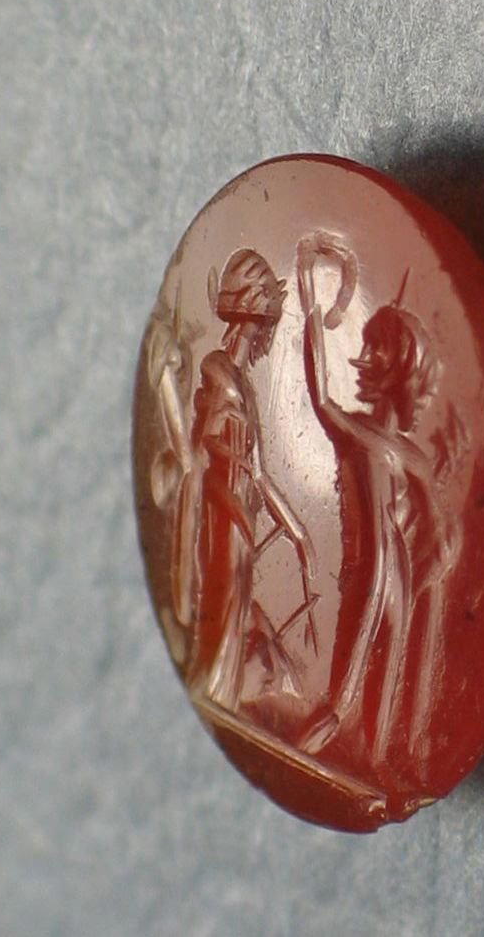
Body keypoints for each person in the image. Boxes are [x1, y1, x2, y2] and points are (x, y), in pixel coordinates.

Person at [296, 235, 455, 773]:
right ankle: (324, 736)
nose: (364, 359)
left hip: (399, 570)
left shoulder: (414, 458)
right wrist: (311, 308)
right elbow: (319, 396)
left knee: (386, 668)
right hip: (369, 567)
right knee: (347, 677)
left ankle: (375, 757)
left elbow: (438, 528)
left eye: (375, 349)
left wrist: (438, 548)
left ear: (400, 368)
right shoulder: (354, 433)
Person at [183, 249, 315, 710]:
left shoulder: (244, 387)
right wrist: (222, 500)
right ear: (254, 325)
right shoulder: (219, 373)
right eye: (266, 329)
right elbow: (199, 452)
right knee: (223, 609)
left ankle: (223, 695)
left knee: (236, 608)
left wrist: (298, 534)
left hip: (241, 521)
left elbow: (257, 473)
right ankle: (215, 691)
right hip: (221, 516)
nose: (267, 340)